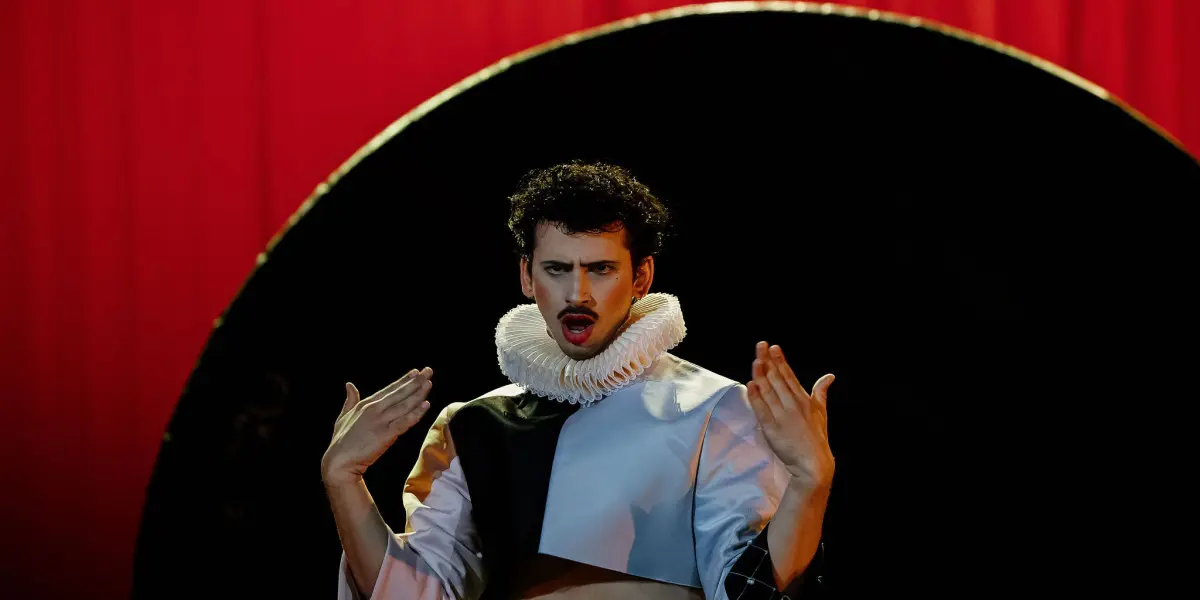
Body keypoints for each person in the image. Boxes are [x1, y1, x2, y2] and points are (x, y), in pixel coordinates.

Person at [322, 161, 834, 599]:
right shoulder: (473, 425)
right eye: (557, 269)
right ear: (527, 276)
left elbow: (749, 589)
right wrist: (344, 480)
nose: (577, 293)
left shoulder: (715, 406)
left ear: (641, 277)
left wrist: (810, 483)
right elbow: (416, 593)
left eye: (601, 269)